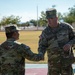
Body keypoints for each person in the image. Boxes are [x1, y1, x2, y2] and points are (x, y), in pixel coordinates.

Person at [38, 8, 75, 75]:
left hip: (66, 62)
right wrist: (41, 54)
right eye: (48, 19)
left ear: (56, 18)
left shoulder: (66, 27)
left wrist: (70, 44)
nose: (49, 20)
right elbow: (42, 46)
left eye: (51, 18)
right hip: (53, 64)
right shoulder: (45, 32)